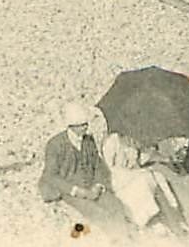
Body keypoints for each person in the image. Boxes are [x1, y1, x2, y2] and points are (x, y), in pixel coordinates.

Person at [39, 101, 132, 236]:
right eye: (82, 125)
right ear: (72, 126)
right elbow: (50, 176)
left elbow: (98, 165)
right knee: (96, 212)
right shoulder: (55, 144)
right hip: (70, 189)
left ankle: (127, 238)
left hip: (90, 186)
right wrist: (77, 191)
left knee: (116, 205)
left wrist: (98, 185)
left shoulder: (88, 140)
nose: (86, 127)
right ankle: (118, 239)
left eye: (86, 124)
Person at [100, 122, 189, 236]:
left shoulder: (132, 139)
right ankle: (159, 221)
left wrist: (165, 159)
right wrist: (132, 170)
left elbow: (143, 158)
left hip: (133, 175)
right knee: (145, 178)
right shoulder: (112, 141)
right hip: (119, 179)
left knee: (158, 176)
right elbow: (109, 168)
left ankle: (174, 218)